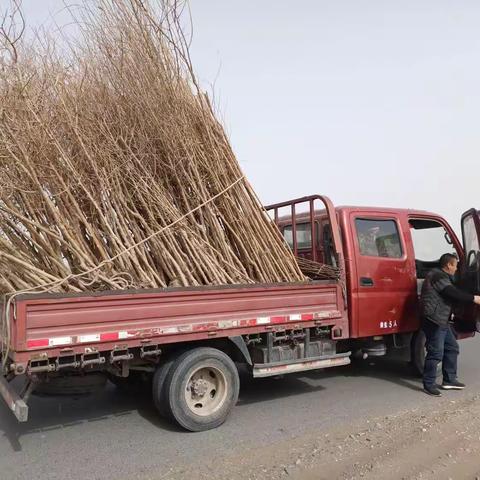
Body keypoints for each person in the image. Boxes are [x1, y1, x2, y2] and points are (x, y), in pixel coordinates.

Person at [420, 253, 480, 397]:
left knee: (452, 347)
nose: (456, 268)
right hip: (434, 320)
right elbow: (451, 292)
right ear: (449, 265)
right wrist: (473, 298)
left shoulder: (442, 276)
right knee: (435, 353)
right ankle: (428, 384)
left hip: (442, 320)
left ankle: (449, 380)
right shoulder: (437, 276)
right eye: (456, 265)